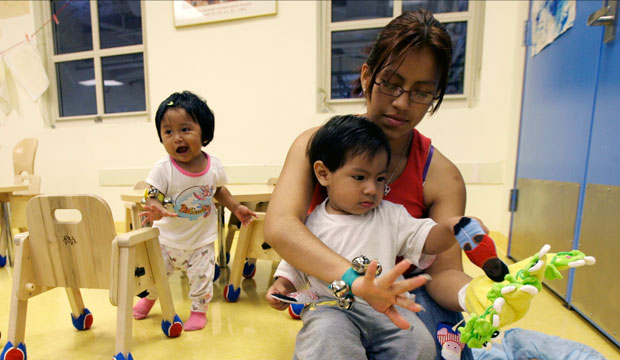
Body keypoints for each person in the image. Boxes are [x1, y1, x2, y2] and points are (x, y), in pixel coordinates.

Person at [264, 9, 477, 359]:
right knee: (329, 341)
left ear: (437, 95)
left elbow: (443, 271)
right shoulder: (316, 145)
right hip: (338, 295)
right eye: (391, 83)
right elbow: (281, 226)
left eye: (422, 92)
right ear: (366, 76)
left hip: (407, 295)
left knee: (437, 348)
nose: (402, 102)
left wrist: (479, 295)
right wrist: (356, 283)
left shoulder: (442, 176)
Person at [267, 115, 496, 359]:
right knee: (327, 339)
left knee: (418, 341)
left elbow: (427, 238)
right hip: (333, 308)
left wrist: (450, 228)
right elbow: (296, 263)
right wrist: (283, 286)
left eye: (380, 179)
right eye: (359, 177)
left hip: (388, 307)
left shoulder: (392, 215)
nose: (371, 189)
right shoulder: (311, 224)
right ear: (324, 174)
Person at [132, 91, 256, 331]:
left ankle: (199, 311)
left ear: (204, 133)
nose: (176, 138)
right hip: (167, 239)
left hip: (201, 240)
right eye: (168, 132)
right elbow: (151, 193)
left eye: (185, 129)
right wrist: (155, 207)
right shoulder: (163, 168)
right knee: (157, 274)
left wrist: (236, 207)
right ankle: (149, 300)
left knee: (202, 278)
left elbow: (219, 190)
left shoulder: (214, 166)